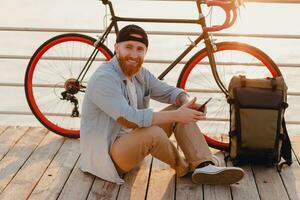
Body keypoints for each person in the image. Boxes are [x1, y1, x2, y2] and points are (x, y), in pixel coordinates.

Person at [80, 24, 244, 185]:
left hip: (132, 145)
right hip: (109, 158)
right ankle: (184, 168)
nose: (133, 54)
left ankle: (203, 164)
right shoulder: (105, 78)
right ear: (116, 48)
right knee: (155, 131)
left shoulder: (140, 73)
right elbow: (128, 119)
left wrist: (186, 102)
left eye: (139, 49)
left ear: (145, 52)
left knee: (178, 109)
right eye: (128, 47)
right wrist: (177, 114)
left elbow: (170, 92)